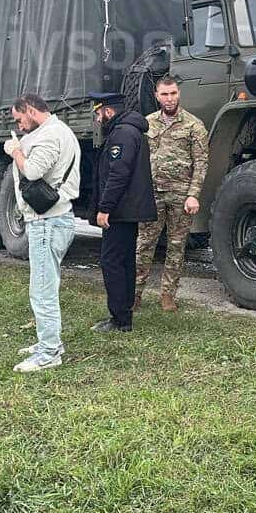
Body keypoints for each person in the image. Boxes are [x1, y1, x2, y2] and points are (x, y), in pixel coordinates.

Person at [5, 94, 81, 371]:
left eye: (20, 118)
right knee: (45, 286)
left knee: (43, 290)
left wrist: (14, 150)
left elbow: (34, 171)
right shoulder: (54, 131)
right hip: (49, 220)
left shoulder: (51, 135)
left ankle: (49, 353)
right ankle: (48, 342)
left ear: (31, 110)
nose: (20, 124)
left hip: (48, 221)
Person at [133, 76, 209, 311]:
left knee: (176, 247)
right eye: (164, 94)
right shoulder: (147, 124)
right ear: (157, 96)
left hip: (181, 195)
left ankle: (168, 295)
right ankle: (135, 293)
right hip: (153, 194)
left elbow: (201, 162)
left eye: (173, 93)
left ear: (179, 94)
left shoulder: (194, 125)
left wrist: (193, 194)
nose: (169, 99)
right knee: (144, 245)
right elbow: (137, 160)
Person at [88, 92, 156, 333]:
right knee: (124, 261)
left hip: (120, 210)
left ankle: (119, 318)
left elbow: (118, 174)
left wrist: (104, 208)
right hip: (128, 209)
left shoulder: (122, 133)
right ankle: (124, 316)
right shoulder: (129, 130)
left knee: (112, 262)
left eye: (98, 113)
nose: (97, 118)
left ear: (108, 111)